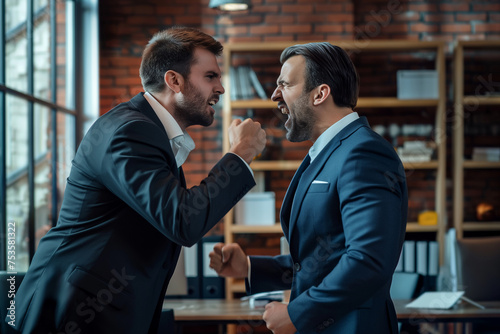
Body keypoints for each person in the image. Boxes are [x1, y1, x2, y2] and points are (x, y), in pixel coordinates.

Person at [8, 27, 266, 333]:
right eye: (210, 76)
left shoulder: (148, 131)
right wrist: (241, 153)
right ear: (174, 81)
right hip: (72, 311)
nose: (221, 88)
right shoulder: (131, 132)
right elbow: (183, 219)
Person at [209, 42, 408, 334]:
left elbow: (368, 260)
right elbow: (323, 257)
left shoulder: (364, 152)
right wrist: (250, 267)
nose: (275, 95)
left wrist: (299, 313)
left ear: (320, 94)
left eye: (284, 84)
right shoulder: (327, 153)